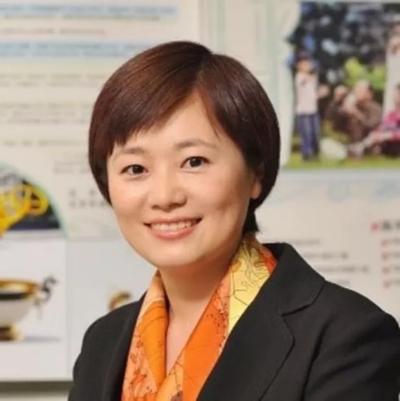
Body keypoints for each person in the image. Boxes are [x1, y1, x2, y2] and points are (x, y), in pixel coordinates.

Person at [69, 41, 400, 401]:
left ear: (256, 173)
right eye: (135, 168)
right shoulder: (103, 345)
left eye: (194, 161)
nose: (164, 196)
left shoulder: (346, 336)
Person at [294, 55, 321, 160]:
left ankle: (314, 152)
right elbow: (304, 80)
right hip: (303, 111)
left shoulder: (312, 78)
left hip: (313, 109)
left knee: (315, 132)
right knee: (306, 133)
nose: (308, 66)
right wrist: (313, 74)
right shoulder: (299, 76)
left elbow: (312, 93)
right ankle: (306, 154)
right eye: (304, 64)